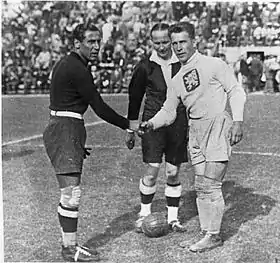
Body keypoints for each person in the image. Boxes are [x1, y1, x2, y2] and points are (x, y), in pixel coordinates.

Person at [139, 22, 246, 252]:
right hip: (195, 131)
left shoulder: (214, 64)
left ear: (193, 42)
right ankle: (206, 233)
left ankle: (214, 235)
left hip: (217, 126)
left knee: (210, 185)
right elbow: (169, 111)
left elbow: (235, 90)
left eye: (182, 42)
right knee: (200, 186)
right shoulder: (177, 79)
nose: (178, 47)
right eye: (174, 43)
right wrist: (151, 123)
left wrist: (237, 120)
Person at [43, 23, 132, 262]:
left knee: (71, 193)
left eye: (97, 41)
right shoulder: (76, 67)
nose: (95, 46)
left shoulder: (72, 64)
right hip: (65, 129)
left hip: (67, 129)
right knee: (70, 194)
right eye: (90, 41)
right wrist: (128, 124)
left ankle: (69, 246)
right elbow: (99, 107)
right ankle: (69, 249)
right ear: (76, 43)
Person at [125, 23, 189, 233]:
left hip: (178, 123)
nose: (162, 47)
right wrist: (130, 128)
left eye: (166, 42)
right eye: (157, 42)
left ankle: (173, 218)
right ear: (151, 42)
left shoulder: (183, 63)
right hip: (152, 123)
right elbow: (135, 98)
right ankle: (144, 213)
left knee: (172, 172)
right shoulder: (145, 66)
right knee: (152, 171)